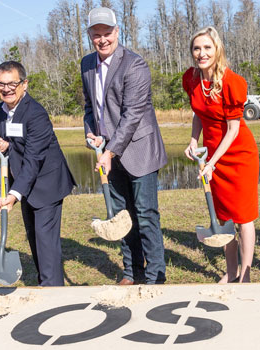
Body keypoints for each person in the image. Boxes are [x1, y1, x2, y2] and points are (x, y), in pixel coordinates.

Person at [80, 7, 168, 285]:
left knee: (145, 214)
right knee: (121, 216)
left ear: (117, 32)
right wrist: (92, 133)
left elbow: (132, 115)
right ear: (90, 36)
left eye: (107, 33)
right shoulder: (86, 65)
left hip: (139, 150)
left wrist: (109, 151)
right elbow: (89, 107)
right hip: (110, 152)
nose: (102, 39)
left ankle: (156, 274)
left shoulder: (135, 65)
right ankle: (132, 272)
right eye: (97, 34)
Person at [181, 27, 259, 283]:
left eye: (207, 48)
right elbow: (198, 114)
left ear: (217, 49)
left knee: (243, 216)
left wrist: (212, 163)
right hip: (212, 154)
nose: (202, 53)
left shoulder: (231, 81)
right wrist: (194, 140)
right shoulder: (192, 79)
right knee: (222, 215)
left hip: (238, 153)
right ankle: (231, 271)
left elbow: (234, 129)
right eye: (197, 48)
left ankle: (245, 275)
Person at [0, 61, 76, 286]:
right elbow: (14, 144)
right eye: (1, 84)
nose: (6, 89)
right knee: (34, 237)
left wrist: (14, 194)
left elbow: (34, 157)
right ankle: (45, 282)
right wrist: (2, 144)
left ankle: (53, 291)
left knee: (46, 241)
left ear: (24, 84)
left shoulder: (36, 113)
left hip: (47, 182)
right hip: (23, 181)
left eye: (12, 83)